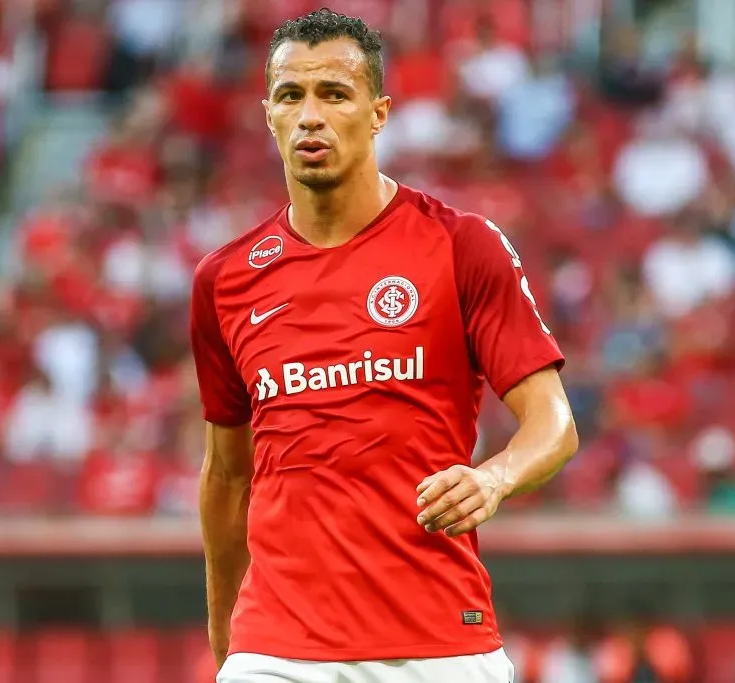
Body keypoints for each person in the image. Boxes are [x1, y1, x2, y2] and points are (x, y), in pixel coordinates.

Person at [189, 9, 578, 683]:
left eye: (334, 94)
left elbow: (555, 423)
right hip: (277, 649)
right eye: (291, 96)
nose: (310, 115)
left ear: (378, 113)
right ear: (268, 115)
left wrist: (493, 477)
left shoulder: (461, 246)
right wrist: (228, 640)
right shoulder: (224, 280)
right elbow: (228, 475)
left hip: (439, 644)